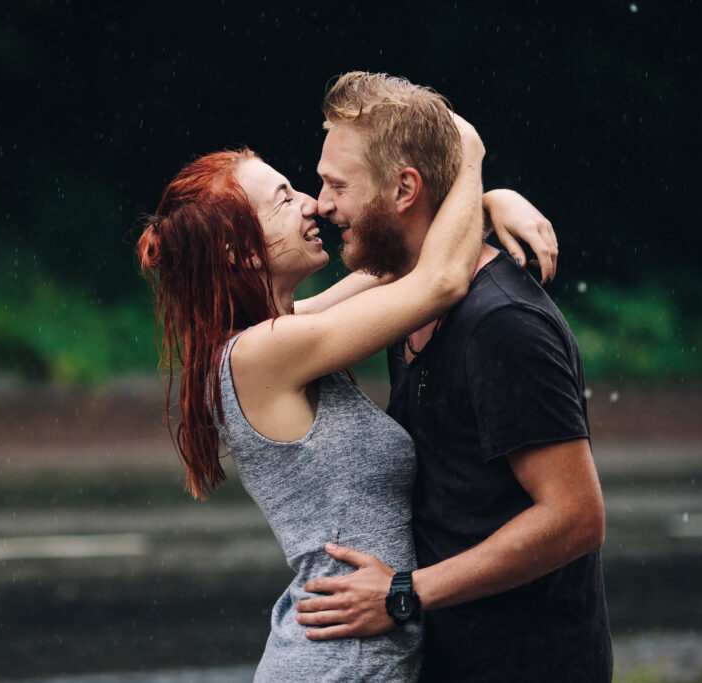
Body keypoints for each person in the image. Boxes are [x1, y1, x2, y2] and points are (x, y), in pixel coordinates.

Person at [136, 92, 557, 679]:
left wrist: (489, 202)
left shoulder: (290, 329)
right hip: (335, 665)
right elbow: (437, 283)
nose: (311, 205)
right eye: (283, 200)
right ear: (239, 251)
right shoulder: (263, 353)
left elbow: (404, 262)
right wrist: (468, 153)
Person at [294, 71, 612, 682]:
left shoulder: (502, 325)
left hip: (528, 664)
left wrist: (404, 592)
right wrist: (487, 196)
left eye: (336, 185)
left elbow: (576, 516)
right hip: (448, 657)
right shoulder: (410, 293)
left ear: (404, 188)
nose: (321, 203)